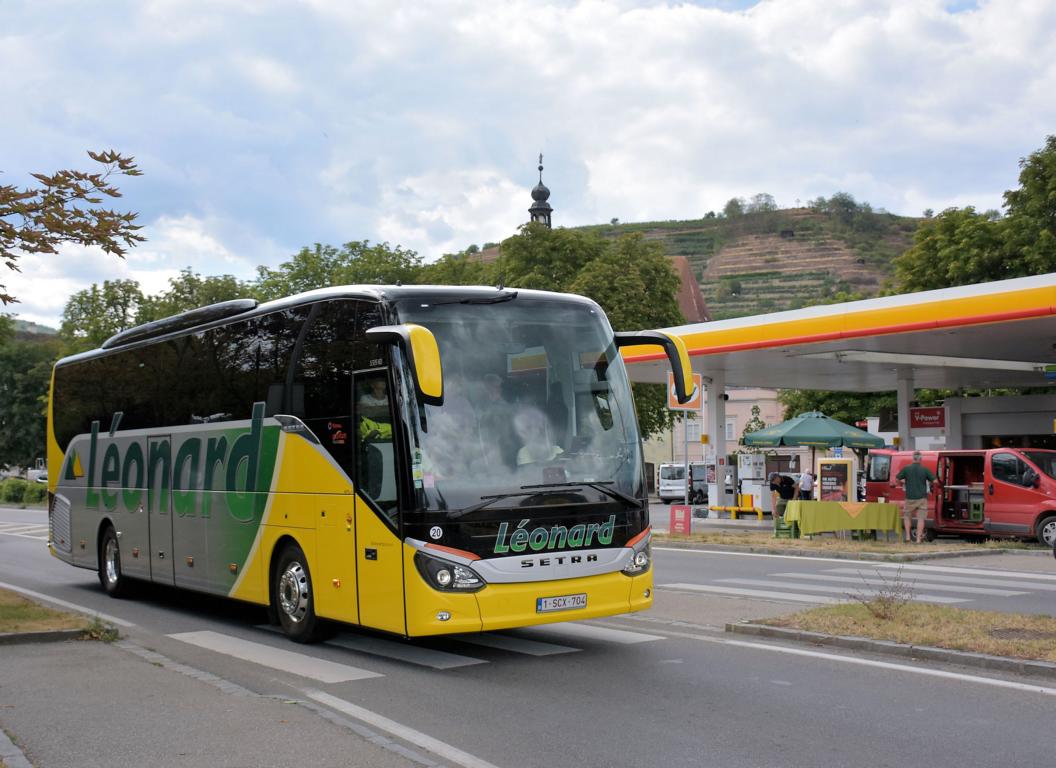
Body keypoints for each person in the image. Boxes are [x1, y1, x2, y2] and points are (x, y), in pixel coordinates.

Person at [895, 450, 936, 544]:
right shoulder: (925, 469)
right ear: (921, 459)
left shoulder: (906, 469)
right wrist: (927, 483)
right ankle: (918, 539)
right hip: (922, 498)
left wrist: (903, 482)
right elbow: (935, 481)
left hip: (909, 498)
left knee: (907, 517)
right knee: (921, 519)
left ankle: (908, 538)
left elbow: (897, 479)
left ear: (912, 458)